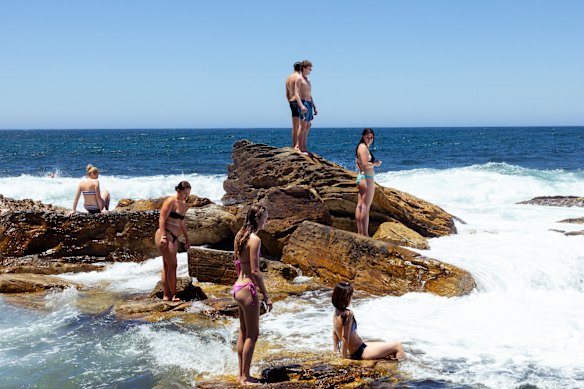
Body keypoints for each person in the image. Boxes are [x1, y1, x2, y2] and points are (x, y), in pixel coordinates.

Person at [231, 204, 273, 385]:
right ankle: (245, 377)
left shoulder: (239, 236)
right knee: (253, 334)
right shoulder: (255, 239)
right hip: (248, 290)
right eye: (265, 218)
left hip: (237, 288)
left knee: (243, 332)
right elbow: (255, 271)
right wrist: (266, 295)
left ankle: (240, 373)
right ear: (257, 219)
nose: (266, 221)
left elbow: (238, 263)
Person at [332, 281, 406, 361]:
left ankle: (395, 364)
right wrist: (344, 358)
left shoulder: (336, 313)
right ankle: (404, 370)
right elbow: (344, 338)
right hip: (360, 352)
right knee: (398, 346)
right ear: (345, 298)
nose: (351, 298)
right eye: (350, 296)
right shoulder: (347, 315)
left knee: (386, 346)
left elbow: (334, 332)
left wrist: (336, 351)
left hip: (360, 347)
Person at [154, 181, 191, 302]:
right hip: (165, 235)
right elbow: (162, 217)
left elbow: (182, 222)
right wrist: (163, 235)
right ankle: (174, 294)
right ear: (178, 190)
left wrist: (186, 238)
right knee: (173, 265)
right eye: (184, 192)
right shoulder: (171, 201)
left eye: (188, 193)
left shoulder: (183, 204)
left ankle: (166, 295)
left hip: (174, 237)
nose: (186, 195)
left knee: (167, 265)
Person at [355, 128, 381, 236]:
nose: (369, 139)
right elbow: (365, 164)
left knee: (360, 206)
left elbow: (358, 163)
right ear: (363, 136)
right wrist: (376, 164)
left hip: (362, 177)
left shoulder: (361, 147)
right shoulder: (363, 147)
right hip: (367, 178)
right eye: (367, 137)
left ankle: (360, 232)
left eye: (371, 137)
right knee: (365, 207)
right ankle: (365, 234)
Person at [295, 60, 318, 154]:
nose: (310, 70)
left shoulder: (308, 81)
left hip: (309, 103)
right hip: (303, 103)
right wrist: (301, 105)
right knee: (303, 125)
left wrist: (314, 106)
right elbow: (296, 93)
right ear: (304, 68)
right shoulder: (299, 79)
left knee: (308, 125)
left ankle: (304, 146)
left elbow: (310, 95)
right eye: (309, 68)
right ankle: (299, 147)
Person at [286, 61, 303, 149]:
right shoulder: (299, 77)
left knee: (294, 126)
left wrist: (290, 102)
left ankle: (294, 145)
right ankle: (298, 145)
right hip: (298, 102)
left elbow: (287, 94)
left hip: (292, 102)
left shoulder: (288, 78)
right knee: (301, 125)